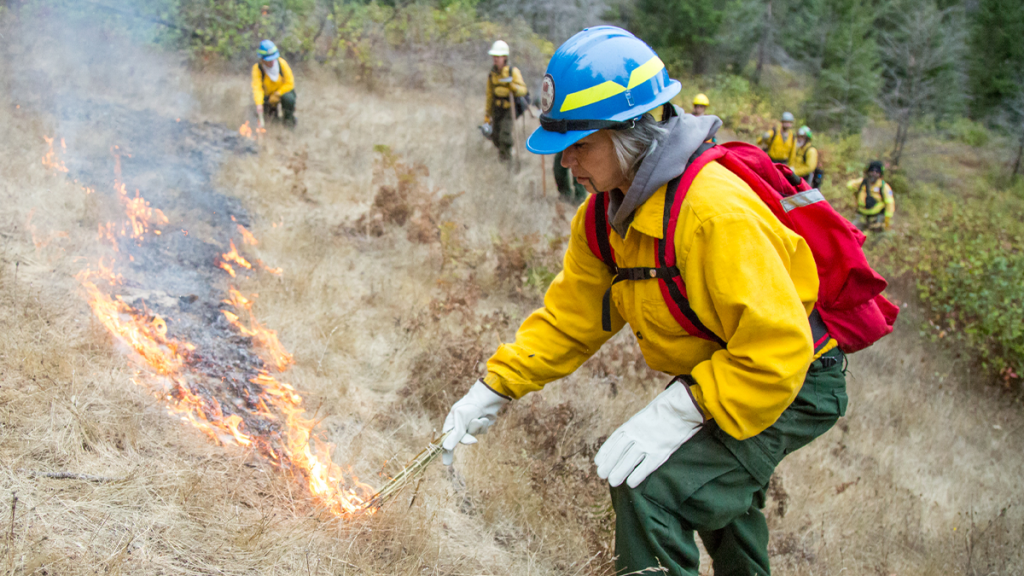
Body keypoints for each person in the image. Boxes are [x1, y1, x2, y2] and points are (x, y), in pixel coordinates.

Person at [442, 26, 846, 576]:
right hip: (723, 371)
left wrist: (682, 408)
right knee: (717, 497)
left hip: (792, 376)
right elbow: (571, 318)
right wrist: (492, 387)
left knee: (651, 488)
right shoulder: (603, 217)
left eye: (580, 145)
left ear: (632, 131)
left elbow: (777, 350)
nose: (567, 163)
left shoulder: (712, 214)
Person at [484, 40, 528, 163]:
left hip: (510, 108)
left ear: (505, 57)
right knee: (496, 137)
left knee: (505, 136)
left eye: (498, 57)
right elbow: (489, 95)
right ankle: (504, 155)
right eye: (494, 57)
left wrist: (513, 87)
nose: (495, 59)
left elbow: (523, 90)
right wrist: (487, 115)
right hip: (497, 109)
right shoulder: (492, 74)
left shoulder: (512, 72)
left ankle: (507, 163)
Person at [251, 40, 296, 128]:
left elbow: (290, 83)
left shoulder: (281, 64)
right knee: (270, 121)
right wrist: (259, 104)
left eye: (273, 59)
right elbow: (257, 88)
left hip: (282, 93)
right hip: (268, 98)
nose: (271, 62)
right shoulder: (257, 69)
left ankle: (289, 124)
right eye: (269, 60)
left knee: (289, 99)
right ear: (262, 59)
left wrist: (277, 94)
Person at [847, 160, 894, 231]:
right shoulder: (862, 182)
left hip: (877, 215)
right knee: (852, 231)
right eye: (872, 171)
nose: (874, 174)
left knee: (878, 235)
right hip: (862, 214)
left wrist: (887, 220)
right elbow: (849, 185)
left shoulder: (884, 187)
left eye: (877, 172)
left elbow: (890, 204)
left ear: (880, 174)